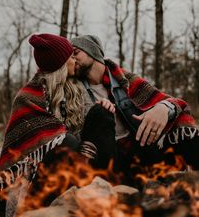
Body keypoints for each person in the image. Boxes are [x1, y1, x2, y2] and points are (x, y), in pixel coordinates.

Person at [0, 33, 86, 217]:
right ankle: (34, 213)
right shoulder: (27, 97)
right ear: (60, 64)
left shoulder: (70, 90)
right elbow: (27, 149)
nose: (75, 59)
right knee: (68, 142)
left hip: (59, 170)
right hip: (31, 176)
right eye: (71, 56)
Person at [71, 34, 199, 172]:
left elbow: (176, 103)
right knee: (101, 113)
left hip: (139, 149)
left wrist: (164, 107)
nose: (72, 59)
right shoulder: (72, 88)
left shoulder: (125, 80)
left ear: (92, 52)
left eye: (76, 53)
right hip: (107, 157)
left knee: (190, 139)